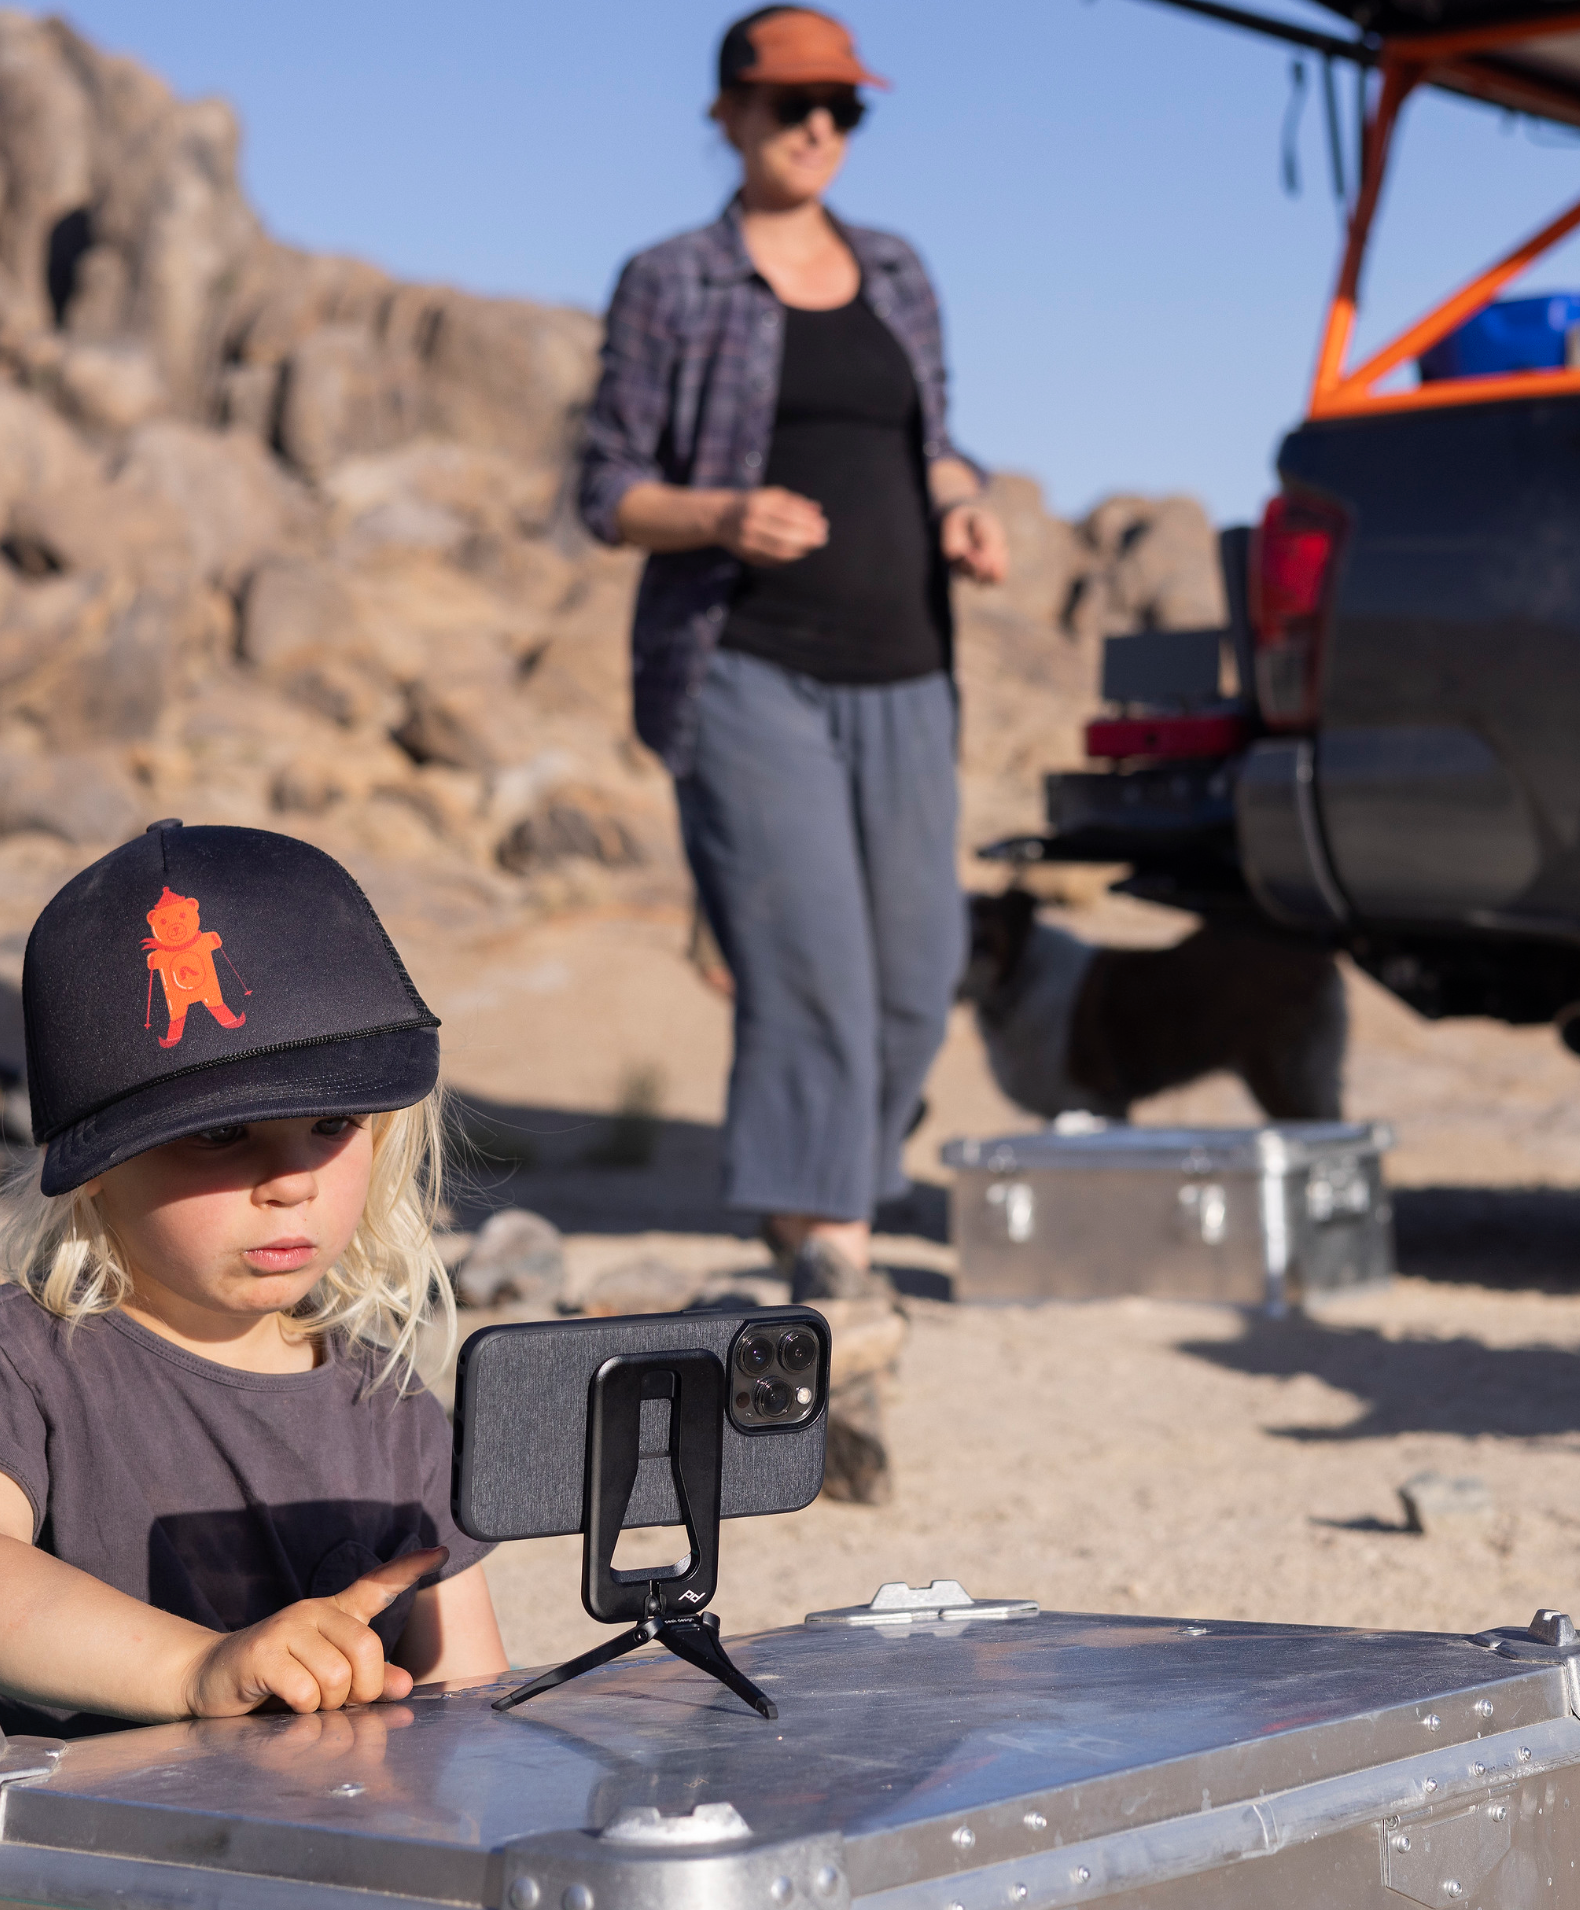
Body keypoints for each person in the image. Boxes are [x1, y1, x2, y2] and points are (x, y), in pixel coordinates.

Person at [0, 821, 507, 1842]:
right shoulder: (11, 1358)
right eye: (220, 1132)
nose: (290, 1179)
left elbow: (470, 1702)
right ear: (97, 1161)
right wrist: (195, 1670)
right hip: (62, 1875)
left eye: (332, 1126)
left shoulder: (394, 1404)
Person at [575, 6, 1007, 1501]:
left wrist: (962, 509)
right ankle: (828, 1238)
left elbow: (936, 439)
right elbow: (607, 486)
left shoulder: (897, 271)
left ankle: (820, 1205)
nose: (816, 129)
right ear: (731, 111)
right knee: (811, 957)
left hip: (908, 666)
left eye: (841, 109)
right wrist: (723, 513)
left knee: (916, 965)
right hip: (745, 663)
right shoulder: (672, 278)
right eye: (788, 104)